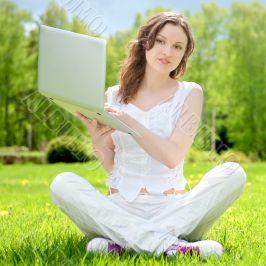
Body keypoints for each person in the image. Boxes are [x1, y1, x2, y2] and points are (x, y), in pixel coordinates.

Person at [50, 11, 246, 260]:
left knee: (233, 173)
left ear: (184, 55)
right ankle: (171, 247)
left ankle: (122, 241)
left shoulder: (189, 94)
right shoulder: (113, 95)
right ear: (146, 42)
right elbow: (112, 166)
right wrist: (96, 135)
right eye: (161, 41)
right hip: (121, 206)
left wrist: (129, 121)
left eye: (178, 46)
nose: (168, 51)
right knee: (62, 183)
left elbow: (172, 156)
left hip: (173, 209)